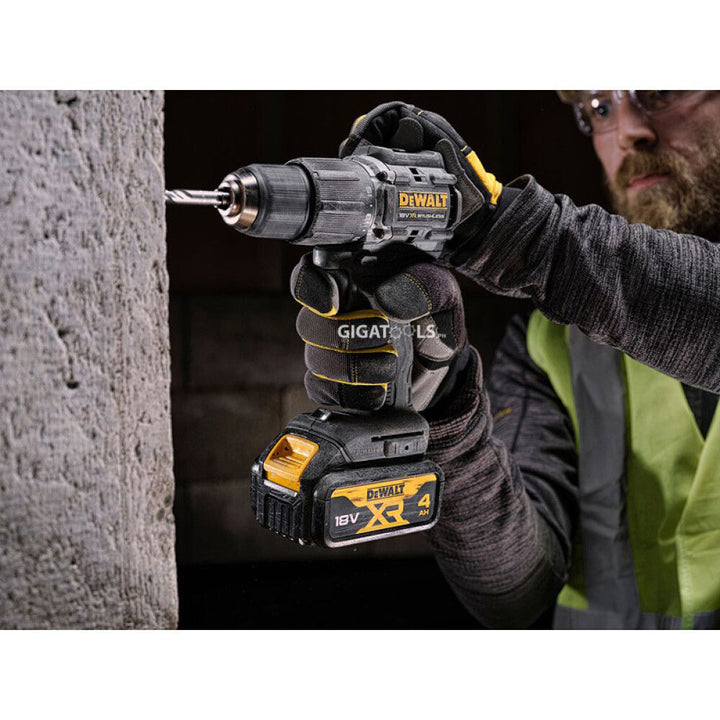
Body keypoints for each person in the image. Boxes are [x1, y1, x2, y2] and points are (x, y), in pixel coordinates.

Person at [291, 94, 720, 628]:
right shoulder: (551, 343)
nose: (629, 131)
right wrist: (444, 410)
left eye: (658, 90)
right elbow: (515, 590)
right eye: (599, 107)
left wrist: (505, 232)